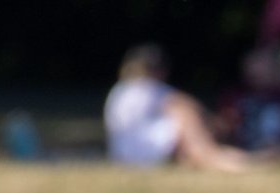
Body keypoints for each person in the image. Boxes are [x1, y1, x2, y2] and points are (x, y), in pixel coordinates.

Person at [104, 44, 253, 172]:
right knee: (183, 113)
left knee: (178, 120)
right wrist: (213, 122)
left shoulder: (119, 90)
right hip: (145, 153)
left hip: (122, 154)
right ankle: (211, 156)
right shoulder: (149, 87)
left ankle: (228, 157)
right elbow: (184, 103)